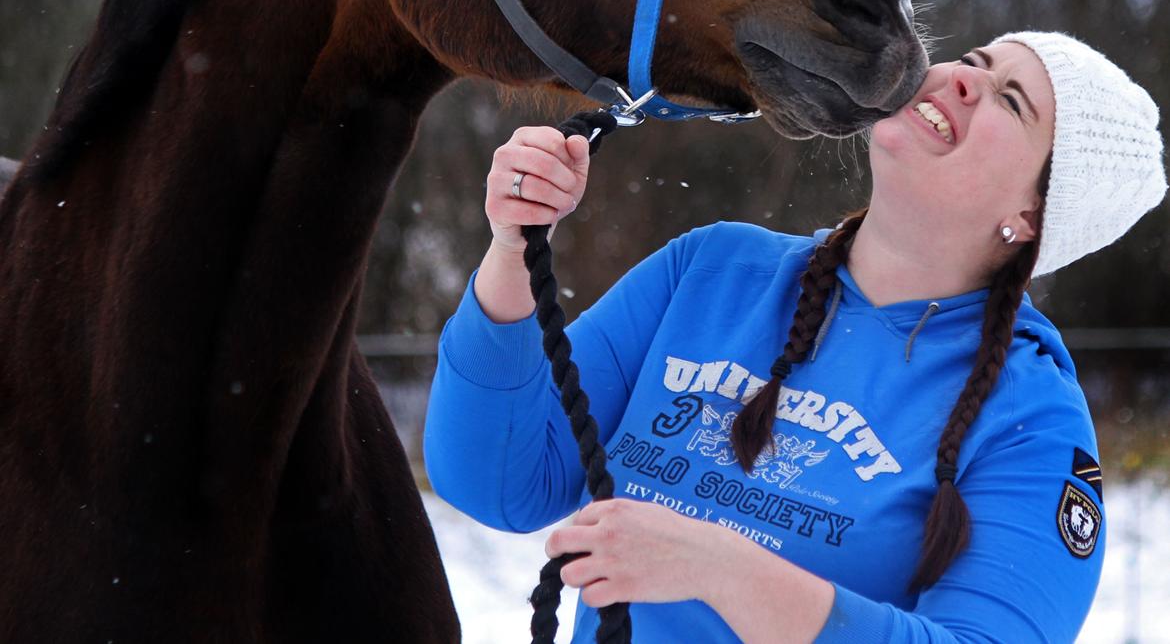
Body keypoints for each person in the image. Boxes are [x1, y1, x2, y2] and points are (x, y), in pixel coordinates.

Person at [424, 32, 1166, 642]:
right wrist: (515, 253)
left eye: (1011, 99)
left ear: (1032, 217)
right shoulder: (709, 271)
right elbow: (496, 479)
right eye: (973, 61)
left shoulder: (1033, 422)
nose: (965, 79)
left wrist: (720, 567)